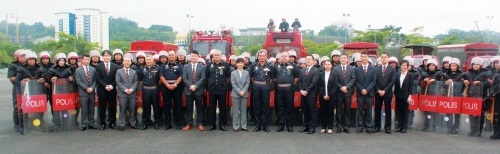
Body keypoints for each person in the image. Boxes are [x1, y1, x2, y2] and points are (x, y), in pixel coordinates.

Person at [45, 53, 74, 131]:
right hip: (55, 92)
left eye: (63, 61)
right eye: (60, 60)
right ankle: (56, 124)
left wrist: (71, 79)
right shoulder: (52, 70)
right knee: (56, 110)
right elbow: (47, 79)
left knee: (65, 109)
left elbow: (71, 79)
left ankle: (66, 124)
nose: (62, 62)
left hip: (65, 92)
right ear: (57, 61)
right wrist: (51, 79)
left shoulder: (68, 69)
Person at [464, 57, 490, 137]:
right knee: (471, 113)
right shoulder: (468, 73)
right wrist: (465, 81)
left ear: (480, 65)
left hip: (481, 96)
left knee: (480, 114)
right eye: (474, 64)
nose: (475, 66)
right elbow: (462, 81)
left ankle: (479, 130)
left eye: (477, 64)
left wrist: (480, 82)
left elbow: (488, 84)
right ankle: (472, 129)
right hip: (471, 96)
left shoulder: (486, 73)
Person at [205, 49, 231, 131]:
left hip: (222, 89)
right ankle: (212, 125)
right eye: (215, 55)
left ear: (221, 56)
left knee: (222, 108)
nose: (217, 56)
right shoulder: (209, 65)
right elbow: (207, 77)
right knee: (211, 107)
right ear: (213, 57)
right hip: (212, 89)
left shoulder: (226, 65)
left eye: (218, 55)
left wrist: (222, 83)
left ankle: (222, 124)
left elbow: (228, 77)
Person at [250, 50, 274, 132]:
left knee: (265, 107)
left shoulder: (270, 66)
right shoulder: (253, 65)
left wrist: (266, 84)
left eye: (263, 56)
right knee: (257, 106)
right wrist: (258, 84)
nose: (262, 57)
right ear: (258, 57)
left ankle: (265, 126)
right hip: (256, 86)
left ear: (266, 57)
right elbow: (252, 77)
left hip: (265, 87)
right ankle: (258, 126)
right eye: (260, 56)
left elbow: (272, 78)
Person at [274, 51, 299, 132]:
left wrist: (290, 85)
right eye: (282, 56)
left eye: (285, 56)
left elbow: (296, 78)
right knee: (280, 108)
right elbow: (274, 78)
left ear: (288, 57)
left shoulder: (293, 66)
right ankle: (280, 125)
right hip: (279, 89)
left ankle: (289, 125)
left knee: (289, 107)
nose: (284, 57)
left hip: (289, 89)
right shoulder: (276, 66)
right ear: (280, 58)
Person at [159, 51, 184, 130]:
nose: (171, 56)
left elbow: (181, 76)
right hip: (166, 87)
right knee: (167, 106)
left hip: (177, 87)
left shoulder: (179, 66)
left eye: (172, 55)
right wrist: (167, 85)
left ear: (175, 56)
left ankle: (178, 124)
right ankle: (168, 124)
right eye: (169, 55)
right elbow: (161, 76)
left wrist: (175, 85)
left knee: (178, 106)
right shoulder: (163, 66)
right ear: (168, 57)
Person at [182, 51, 206, 131]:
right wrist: (190, 86)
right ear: (190, 57)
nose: (194, 57)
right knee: (189, 107)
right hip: (188, 90)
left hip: (198, 90)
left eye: (195, 56)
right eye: (192, 56)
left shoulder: (202, 67)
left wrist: (195, 86)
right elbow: (184, 78)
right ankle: (189, 123)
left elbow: (203, 78)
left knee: (199, 107)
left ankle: (200, 123)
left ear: (198, 57)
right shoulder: (186, 66)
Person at [95, 50, 119, 130]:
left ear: (110, 57)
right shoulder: (98, 66)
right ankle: (102, 123)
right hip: (102, 90)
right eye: (105, 55)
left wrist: (112, 85)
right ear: (102, 57)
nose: (107, 57)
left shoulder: (115, 66)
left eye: (108, 55)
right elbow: (98, 78)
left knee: (113, 107)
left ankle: (112, 123)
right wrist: (105, 85)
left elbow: (117, 78)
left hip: (112, 90)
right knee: (102, 107)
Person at [373, 52, 396, 134]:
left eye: (385, 57)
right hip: (378, 92)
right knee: (377, 110)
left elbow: (392, 81)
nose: (383, 58)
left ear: (388, 58)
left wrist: (385, 90)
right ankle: (377, 126)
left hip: (387, 93)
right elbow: (374, 81)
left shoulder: (392, 69)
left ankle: (388, 127)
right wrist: (378, 90)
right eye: (382, 57)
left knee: (387, 110)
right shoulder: (376, 69)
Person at [354, 52, 377, 134]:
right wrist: (362, 89)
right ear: (360, 58)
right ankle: (360, 126)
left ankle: (369, 126)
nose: (364, 58)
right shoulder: (356, 69)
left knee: (369, 110)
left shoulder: (373, 69)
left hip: (369, 93)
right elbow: (356, 81)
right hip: (360, 93)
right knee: (360, 110)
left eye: (365, 57)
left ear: (368, 58)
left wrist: (367, 90)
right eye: (362, 57)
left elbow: (373, 81)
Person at [75, 54, 97, 131]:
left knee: (91, 108)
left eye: (88, 59)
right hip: (83, 92)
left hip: (92, 92)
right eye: (85, 59)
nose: (87, 61)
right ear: (82, 60)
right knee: (84, 109)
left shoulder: (93, 69)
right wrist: (87, 88)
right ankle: (83, 124)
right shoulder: (78, 70)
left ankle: (91, 123)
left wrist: (92, 88)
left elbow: (95, 80)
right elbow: (78, 81)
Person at [138, 55, 161, 130]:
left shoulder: (157, 68)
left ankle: (156, 123)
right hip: (146, 90)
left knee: (156, 107)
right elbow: (141, 81)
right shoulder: (142, 69)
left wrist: (155, 86)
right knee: (146, 107)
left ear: (153, 60)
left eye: (150, 59)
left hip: (154, 90)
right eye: (147, 59)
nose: (148, 61)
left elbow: (160, 80)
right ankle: (145, 123)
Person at [420, 59, 443, 132]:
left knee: (435, 111)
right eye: (430, 65)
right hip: (427, 94)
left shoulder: (439, 73)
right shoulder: (424, 73)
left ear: (435, 66)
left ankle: (435, 126)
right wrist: (424, 81)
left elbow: (442, 82)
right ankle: (426, 125)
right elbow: (420, 84)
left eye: (433, 65)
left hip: (436, 94)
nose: (431, 67)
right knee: (427, 111)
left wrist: (435, 80)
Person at [334, 54, 355, 133]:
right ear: (339, 59)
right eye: (341, 58)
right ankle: (339, 126)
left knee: (347, 110)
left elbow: (353, 79)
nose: (343, 59)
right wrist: (341, 87)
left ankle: (346, 126)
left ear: (347, 59)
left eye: (344, 58)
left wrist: (346, 87)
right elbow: (335, 80)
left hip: (348, 92)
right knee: (338, 110)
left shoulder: (351, 68)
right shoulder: (335, 68)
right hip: (339, 92)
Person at [115, 57, 138, 131]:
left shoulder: (134, 72)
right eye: (126, 61)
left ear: (130, 62)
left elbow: (136, 82)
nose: (127, 62)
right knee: (122, 110)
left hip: (132, 93)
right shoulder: (118, 71)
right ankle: (122, 124)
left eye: (128, 61)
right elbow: (118, 82)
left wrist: (132, 89)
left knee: (132, 109)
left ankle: (132, 124)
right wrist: (125, 89)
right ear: (123, 62)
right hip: (122, 94)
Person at [298, 55, 320, 134]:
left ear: (313, 61)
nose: (308, 61)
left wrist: (306, 91)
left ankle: (312, 127)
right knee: (305, 110)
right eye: (306, 59)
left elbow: (314, 82)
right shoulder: (302, 70)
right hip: (303, 94)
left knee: (312, 111)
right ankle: (306, 126)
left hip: (311, 94)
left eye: (309, 59)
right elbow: (300, 81)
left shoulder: (316, 70)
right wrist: (301, 90)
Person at [318, 60, 338, 134]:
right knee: (323, 112)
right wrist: (323, 95)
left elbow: (335, 86)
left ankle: (330, 127)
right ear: (324, 66)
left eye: (328, 64)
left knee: (330, 112)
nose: (327, 66)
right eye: (326, 64)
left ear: (331, 65)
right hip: (323, 96)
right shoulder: (320, 74)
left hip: (331, 97)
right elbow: (319, 86)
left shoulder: (334, 74)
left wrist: (329, 95)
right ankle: (323, 127)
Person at [8, 49, 26, 132]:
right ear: (16, 57)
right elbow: (11, 78)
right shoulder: (13, 65)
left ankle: (26, 122)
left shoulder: (28, 64)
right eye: (21, 57)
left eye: (24, 56)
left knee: (28, 105)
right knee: (17, 106)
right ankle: (17, 124)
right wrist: (21, 79)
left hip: (28, 88)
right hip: (17, 87)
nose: (23, 58)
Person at [231, 58, 250, 132]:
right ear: (236, 64)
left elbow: (248, 82)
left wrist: (244, 91)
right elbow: (233, 83)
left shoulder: (246, 73)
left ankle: (244, 126)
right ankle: (236, 126)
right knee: (235, 111)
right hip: (236, 94)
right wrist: (239, 91)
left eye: (242, 63)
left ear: (244, 64)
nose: (240, 64)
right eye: (239, 63)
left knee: (243, 111)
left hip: (244, 94)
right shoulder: (233, 73)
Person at [489, 56, 500, 139]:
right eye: (496, 63)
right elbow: (492, 85)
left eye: (498, 63)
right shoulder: (496, 74)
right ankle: (496, 133)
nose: (497, 64)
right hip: (497, 97)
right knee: (496, 114)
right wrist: (492, 92)